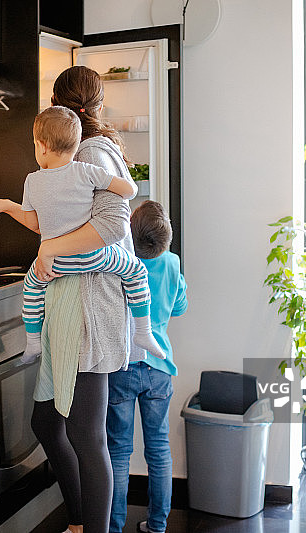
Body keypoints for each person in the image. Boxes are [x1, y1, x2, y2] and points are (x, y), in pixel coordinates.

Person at [0, 65, 135, 533]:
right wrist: (3, 206)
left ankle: (89, 525)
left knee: (86, 435)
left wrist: (52, 249)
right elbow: (49, 220)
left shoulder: (93, 153)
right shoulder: (69, 158)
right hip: (65, 308)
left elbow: (114, 226)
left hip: (90, 308)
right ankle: (82, 520)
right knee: (49, 423)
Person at [18, 105, 165, 362]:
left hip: (57, 264)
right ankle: (143, 331)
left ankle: (32, 343)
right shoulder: (86, 171)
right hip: (95, 256)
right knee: (136, 271)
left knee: (31, 287)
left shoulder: (31, 181)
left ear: (41, 146)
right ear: (76, 147)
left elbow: (33, 223)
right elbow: (128, 190)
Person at [106, 200, 187, 533]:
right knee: (158, 448)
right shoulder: (171, 262)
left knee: (118, 451)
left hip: (123, 364)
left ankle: (112, 526)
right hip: (159, 367)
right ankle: (157, 525)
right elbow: (179, 306)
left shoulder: (120, 262)